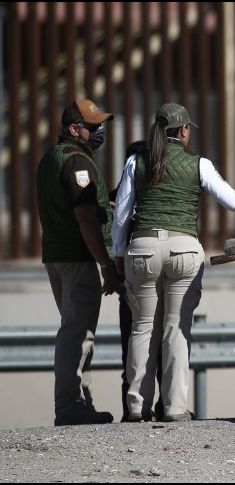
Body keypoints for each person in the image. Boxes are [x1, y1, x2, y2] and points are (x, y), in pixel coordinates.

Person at [112, 103, 235, 422]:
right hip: (184, 249)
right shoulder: (199, 164)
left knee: (142, 328)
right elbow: (234, 202)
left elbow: (121, 214)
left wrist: (118, 253)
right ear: (184, 130)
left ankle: (137, 406)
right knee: (176, 328)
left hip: (143, 249)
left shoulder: (135, 161)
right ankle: (174, 407)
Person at [36, 99, 118, 426]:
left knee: (75, 330)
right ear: (74, 129)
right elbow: (84, 218)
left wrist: (103, 204)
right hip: (77, 257)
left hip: (56, 255)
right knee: (77, 332)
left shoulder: (50, 158)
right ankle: (70, 405)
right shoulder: (77, 162)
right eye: (93, 126)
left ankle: (81, 402)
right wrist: (106, 264)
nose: (100, 131)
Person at [110, 141, 165, 422]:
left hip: (139, 280)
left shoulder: (156, 195)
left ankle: (158, 406)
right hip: (130, 285)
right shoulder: (116, 197)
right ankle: (135, 409)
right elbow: (111, 235)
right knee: (135, 345)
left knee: (145, 343)